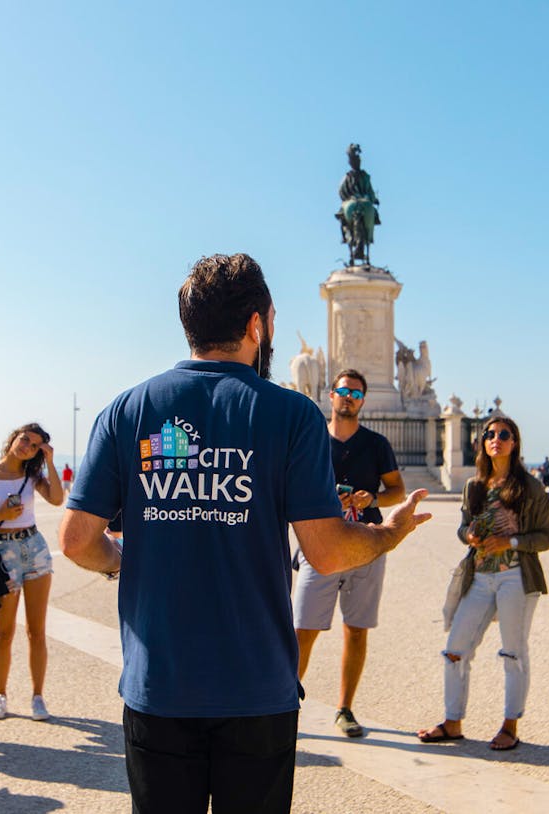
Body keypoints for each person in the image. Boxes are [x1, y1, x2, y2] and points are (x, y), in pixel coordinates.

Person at [59, 253, 429, 814]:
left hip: (159, 685)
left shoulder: (128, 410)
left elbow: (76, 540)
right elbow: (326, 553)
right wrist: (387, 533)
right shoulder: (292, 415)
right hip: (256, 688)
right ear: (257, 324)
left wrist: (118, 562)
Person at [417, 415, 549, 751]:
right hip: (478, 577)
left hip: (516, 577)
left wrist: (510, 543)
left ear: (515, 442)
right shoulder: (474, 486)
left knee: (513, 652)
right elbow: (462, 527)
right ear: (482, 442)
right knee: (455, 650)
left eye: (505, 434)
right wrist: (469, 535)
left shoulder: (531, 487)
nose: (497, 439)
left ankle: (510, 725)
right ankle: (452, 722)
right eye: (490, 434)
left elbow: (548, 536)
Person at [293, 369, 405, 738]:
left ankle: (345, 709)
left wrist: (372, 498)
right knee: (303, 629)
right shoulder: (311, 441)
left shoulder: (376, 444)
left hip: (365, 542)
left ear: (363, 400)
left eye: (355, 393)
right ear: (330, 395)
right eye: (343, 391)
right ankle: (284, 705)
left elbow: (397, 492)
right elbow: (290, 491)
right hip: (319, 540)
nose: (348, 397)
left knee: (356, 631)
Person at [0, 423, 64, 721]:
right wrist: (0, 516)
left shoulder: (32, 475)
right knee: (3, 632)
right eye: (25, 439)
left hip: (34, 548)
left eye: (35, 445)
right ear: (14, 438)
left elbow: (58, 498)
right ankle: (0, 696)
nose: (27, 446)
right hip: (3, 552)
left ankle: (38, 696)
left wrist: (49, 461)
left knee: (36, 631)